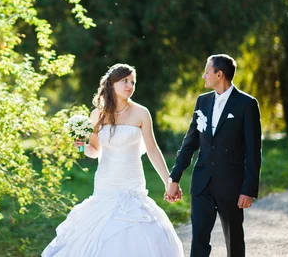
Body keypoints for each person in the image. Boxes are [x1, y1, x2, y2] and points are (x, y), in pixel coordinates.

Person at [42, 63, 184, 257]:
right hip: (106, 183)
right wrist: (81, 146)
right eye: (124, 80)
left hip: (133, 182)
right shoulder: (97, 115)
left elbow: (152, 149)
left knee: (140, 228)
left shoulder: (141, 113)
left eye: (132, 82)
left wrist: (169, 181)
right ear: (111, 83)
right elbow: (95, 151)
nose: (129, 85)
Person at [166, 54, 262, 257]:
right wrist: (174, 177)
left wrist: (249, 189)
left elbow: (254, 151)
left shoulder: (247, 104)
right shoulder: (202, 102)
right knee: (199, 239)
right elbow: (189, 143)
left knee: (234, 240)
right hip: (202, 184)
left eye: (207, 72)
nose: (204, 76)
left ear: (219, 74)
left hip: (232, 186)